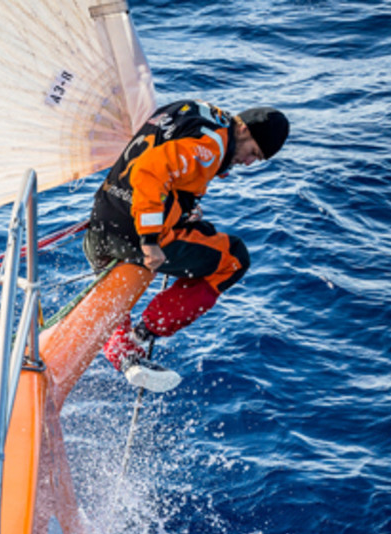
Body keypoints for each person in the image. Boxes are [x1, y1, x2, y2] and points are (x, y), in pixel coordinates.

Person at [83, 100, 290, 392]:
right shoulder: (214, 145)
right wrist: (150, 241)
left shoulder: (194, 111)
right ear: (243, 128)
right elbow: (150, 172)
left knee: (200, 230)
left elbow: (159, 159)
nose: (248, 163)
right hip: (133, 237)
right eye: (253, 152)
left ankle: (121, 345)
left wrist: (181, 209)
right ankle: (144, 333)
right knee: (234, 259)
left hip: (99, 228)